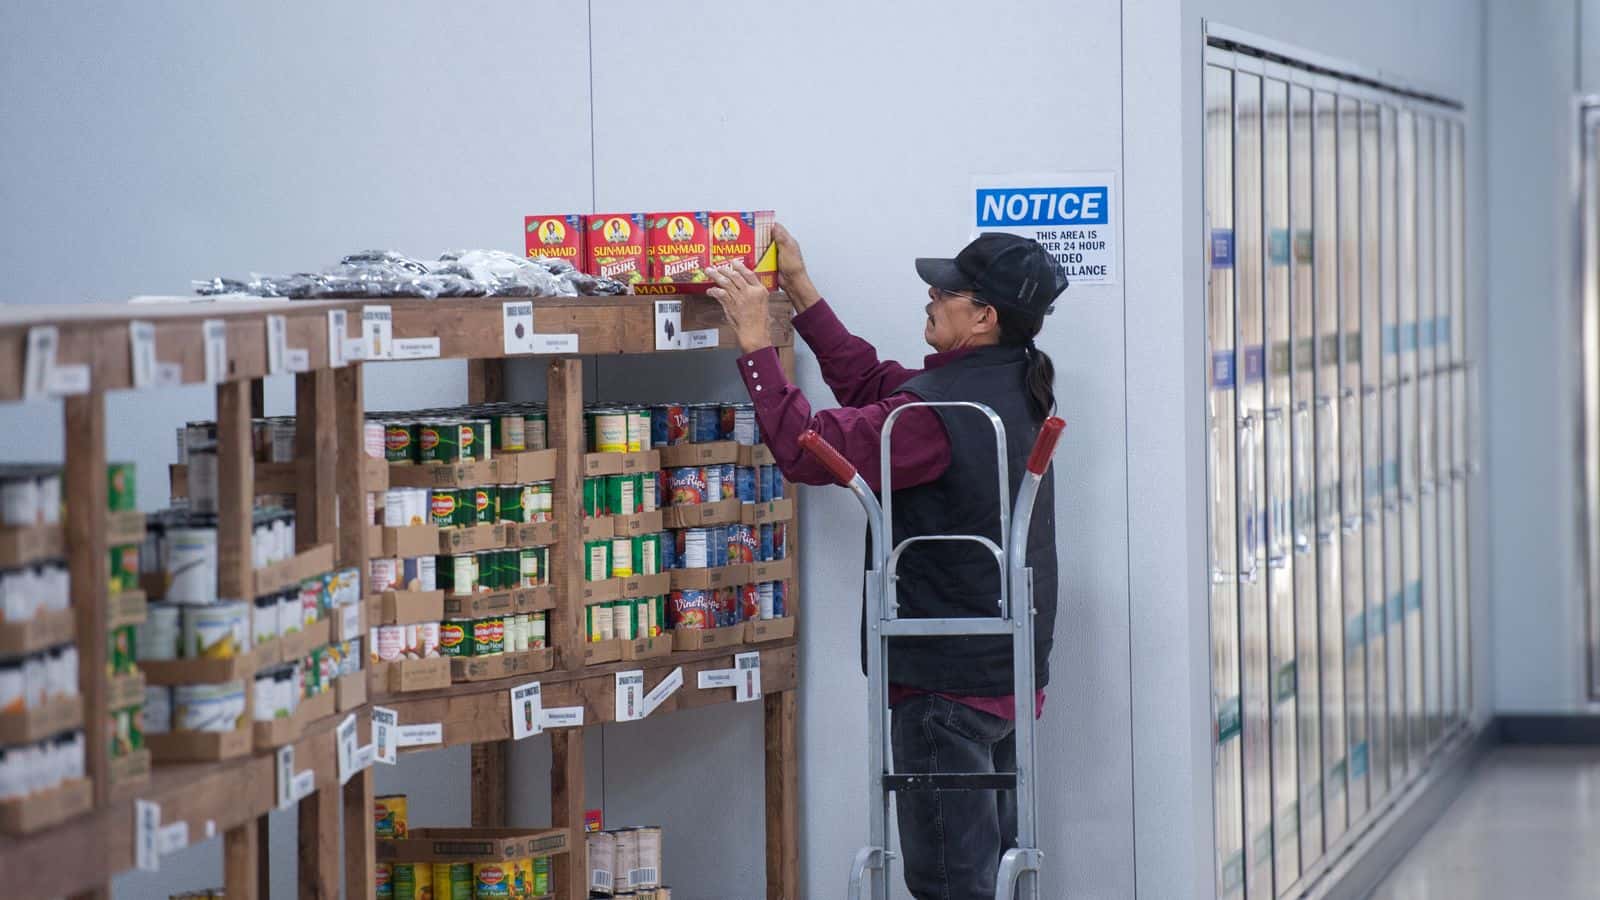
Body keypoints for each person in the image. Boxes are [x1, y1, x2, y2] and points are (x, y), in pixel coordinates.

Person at [706, 226, 1064, 900]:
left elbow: (804, 448)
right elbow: (873, 385)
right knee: (991, 875)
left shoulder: (941, 414)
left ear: (983, 317)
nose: (931, 294)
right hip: (1003, 671)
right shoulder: (1013, 380)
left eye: (948, 290)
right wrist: (803, 293)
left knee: (951, 886)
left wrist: (756, 342)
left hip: (946, 687)